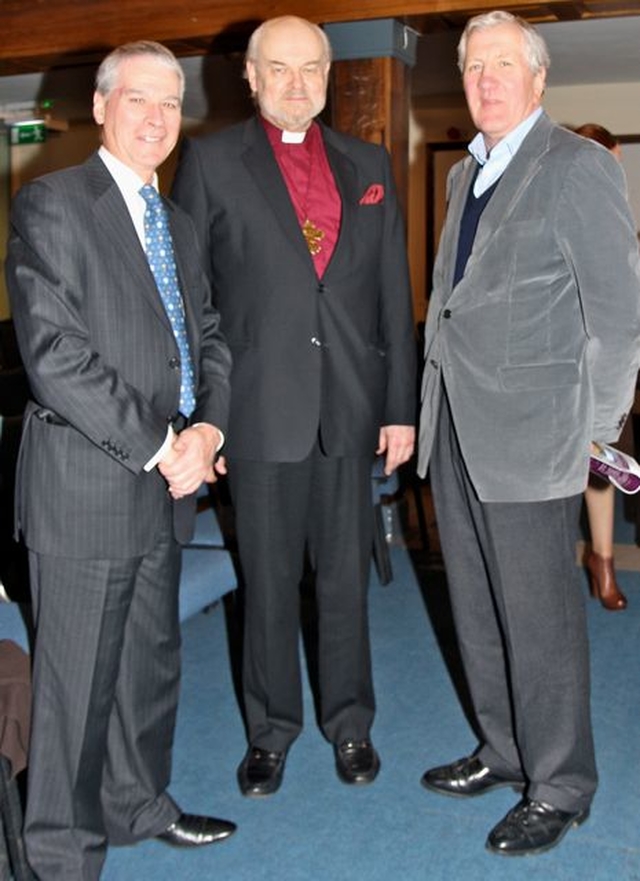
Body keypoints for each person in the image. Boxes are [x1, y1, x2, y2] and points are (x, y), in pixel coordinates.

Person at [5, 41, 235, 880]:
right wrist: (161, 443)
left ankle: (138, 805)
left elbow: (206, 338)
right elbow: (54, 354)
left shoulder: (176, 221)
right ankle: (61, 855)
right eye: (138, 98)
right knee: (73, 692)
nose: (156, 117)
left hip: (170, 485)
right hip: (87, 487)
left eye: (171, 102)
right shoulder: (54, 203)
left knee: (150, 664)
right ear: (101, 106)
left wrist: (209, 430)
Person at [171, 15, 416, 797]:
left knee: (344, 578)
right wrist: (204, 418)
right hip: (257, 413)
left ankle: (351, 725)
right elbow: (191, 306)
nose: (299, 83)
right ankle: (269, 731)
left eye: (312, 68)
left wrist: (400, 407)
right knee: (268, 583)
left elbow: (389, 295)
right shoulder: (208, 163)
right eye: (280, 69)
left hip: (349, 407)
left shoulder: (367, 161)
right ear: (249, 76)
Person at [417, 11, 640, 858]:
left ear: (538, 78)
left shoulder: (577, 166)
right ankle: (505, 749)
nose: (485, 79)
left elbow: (617, 320)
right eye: (473, 65)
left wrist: (591, 434)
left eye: (502, 64)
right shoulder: (459, 176)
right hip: (458, 431)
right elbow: (453, 302)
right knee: (476, 610)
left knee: (541, 622)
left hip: (539, 436)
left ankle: (561, 784)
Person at [574, 122, 630, 610]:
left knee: (601, 466)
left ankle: (604, 563)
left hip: (610, 364)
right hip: (565, 359)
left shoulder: (619, 221)